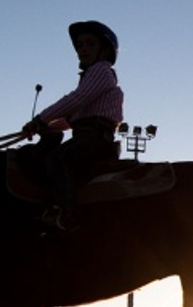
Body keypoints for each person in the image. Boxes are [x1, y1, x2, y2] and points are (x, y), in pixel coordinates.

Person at [21, 20, 126, 228]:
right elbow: (70, 120)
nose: (82, 49)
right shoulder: (92, 78)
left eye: (90, 44)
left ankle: (68, 212)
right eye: (79, 45)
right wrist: (47, 126)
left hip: (95, 137)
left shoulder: (101, 71)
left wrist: (40, 119)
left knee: (57, 158)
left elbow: (76, 99)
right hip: (86, 134)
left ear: (105, 51)